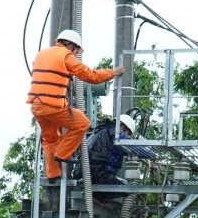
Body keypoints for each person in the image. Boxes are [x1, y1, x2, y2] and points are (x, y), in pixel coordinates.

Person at [26, 29, 125, 181]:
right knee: (82, 123)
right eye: (77, 50)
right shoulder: (66, 56)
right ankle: (62, 154)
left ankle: (53, 173)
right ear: (71, 45)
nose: (76, 54)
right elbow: (90, 75)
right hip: (54, 105)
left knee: (50, 138)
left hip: (36, 105)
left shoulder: (42, 54)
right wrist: (113, 72)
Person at [85, 113, 156, 184]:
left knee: (124, 184)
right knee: (128, 189)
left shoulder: (102, 132)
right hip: (98, 173)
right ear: (123, 126)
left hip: (90, 173)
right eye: (127, 133)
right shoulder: (114, 133)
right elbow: (133, 146)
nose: (127, 136)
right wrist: (153, 155)